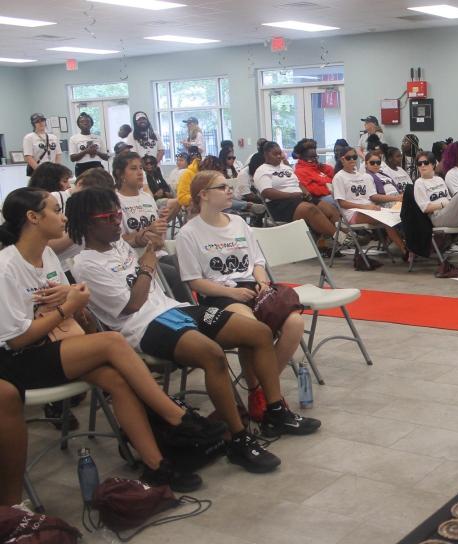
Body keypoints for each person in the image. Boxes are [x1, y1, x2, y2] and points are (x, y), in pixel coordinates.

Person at [68, 188, 312, 467]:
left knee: (258, 333)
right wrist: (148, 259)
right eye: (108, 217)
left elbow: (139, 249)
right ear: (87, 223)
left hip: (173, 310)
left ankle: (275, 412)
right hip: (144, 327)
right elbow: (134, 304)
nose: (116, 221)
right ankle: (239, 438)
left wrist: (150, 244)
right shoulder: (85, 265)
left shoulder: (118, 245)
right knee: (213, 354)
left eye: (118, 214)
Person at [0, 186, 217, 491]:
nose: (63, 218)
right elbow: (17, 340)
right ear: (33, 217)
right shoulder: (7, 267)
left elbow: (71, 303)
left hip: (55, 344)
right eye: (55, 210)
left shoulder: (47, 254)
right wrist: (67, 307)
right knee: (113, 342)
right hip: (19, 360)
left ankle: (156, 466)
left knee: (116, 379)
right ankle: (175, 415)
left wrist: (74, 303)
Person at [176, 171, 318, 428]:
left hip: (253, 287)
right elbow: (194, 281)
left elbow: (257, 262)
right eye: (222, 187)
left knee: (295, 323)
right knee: (253, 329)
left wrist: (263, 282)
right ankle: (264, 396)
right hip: (219, 296)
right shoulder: (189, 233)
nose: (230, 191)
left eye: (229, 186)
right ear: (203, 195)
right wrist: (232, 293)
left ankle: (262, 392)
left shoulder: (238, 223)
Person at [114, 151, 190, 302]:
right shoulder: (115, 201)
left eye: (140, 168)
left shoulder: (147, 197)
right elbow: (118, 241)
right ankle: (187, 310)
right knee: (175, 275)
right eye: (133, 169)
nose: (140, 173)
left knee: (190, 266)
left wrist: (162, 220)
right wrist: (148, 231)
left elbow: (158, 235)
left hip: (158, 252)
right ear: (120, 173)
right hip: (136, 259)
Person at [253, 141, 338, 239]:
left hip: (299, 198)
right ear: (266, 155)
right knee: (310, 209)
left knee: (330, 209)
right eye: (274, 154)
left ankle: (348, 236)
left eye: (279, 153)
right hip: (279, 204)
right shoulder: (262, 170)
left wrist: (305, 192)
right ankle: (341, 238)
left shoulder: (286, 168)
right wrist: (291, 195)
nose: (278, 156)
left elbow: (298, 183)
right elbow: (266, 192)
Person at [333, 149, 407, 259]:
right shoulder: (339, 177)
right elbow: (341, 203)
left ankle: (407, 247)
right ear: (342, 159)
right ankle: (404, 250)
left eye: (354, 157)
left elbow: (371, 196)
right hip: (353, 213)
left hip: (369, 209)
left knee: (399, 214)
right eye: (349, 157)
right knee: (387, 218)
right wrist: (366, 207)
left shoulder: (364, 176)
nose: (352, 160)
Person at [292, 138, 336, 205]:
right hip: (320, 199)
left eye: (315, 157)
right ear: (302, 158)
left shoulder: (317, 167)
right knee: (342, 202)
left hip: (332, 194)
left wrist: (323, 167)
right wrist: (332, 188)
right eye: (311, 158)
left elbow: (335, 177)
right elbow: (313, 191)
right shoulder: (300, 172)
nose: (314, 160)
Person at [68, 112, 109, 176]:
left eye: (87, 121)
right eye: (82, 122)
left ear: (91, 124)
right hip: (82, 168)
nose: (85, 123)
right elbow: (72, 158)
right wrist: (86, 151)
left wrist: (96, 152)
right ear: (78, 124)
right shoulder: (74, 138)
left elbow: (106, 157)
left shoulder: (98, 138)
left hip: (97, 166)